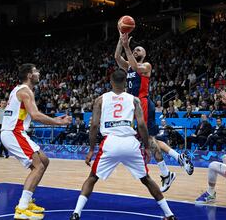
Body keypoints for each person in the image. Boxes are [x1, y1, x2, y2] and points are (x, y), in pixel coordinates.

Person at [69, 70, 176, 220]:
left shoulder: (100, 99)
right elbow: (142, 126)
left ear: (111, 82)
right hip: (130, 143)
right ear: (126, 83)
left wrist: (91, 149)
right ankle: (169, 214)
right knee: (146, 179)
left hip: (110, 142)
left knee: (92, 178)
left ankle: (76, 213)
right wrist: (146, 147)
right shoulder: (134, 100)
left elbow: (93, 126)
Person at [115, 31, 193, 193]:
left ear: (145, 54)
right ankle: (178, 158)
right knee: (151, 140)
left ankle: (166, 173)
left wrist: (128, 47)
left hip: (143, 103)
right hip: (133, 106)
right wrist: (121, 41)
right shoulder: (129, 66)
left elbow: (136, 67)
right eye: (134, 49)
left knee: (149, 141)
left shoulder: (146, 66)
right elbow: (117, 57)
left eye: (139, 50)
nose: (136, 51)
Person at [1, 64, 72, 220]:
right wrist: (58, 122)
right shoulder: (26, 91)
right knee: (38, 166)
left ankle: (28, 200)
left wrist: (53, 119)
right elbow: (35, 115)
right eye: (35, 71)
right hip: (14, 132)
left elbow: (34, 114)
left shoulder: (18, 89)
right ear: (29, 75)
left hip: (16, 132)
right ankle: (22, 208)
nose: (39, 73)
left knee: (44, 161)